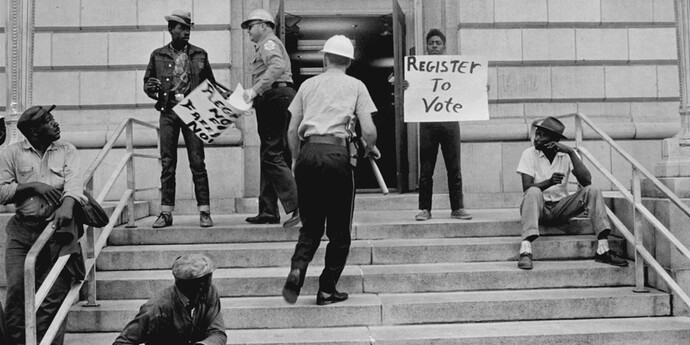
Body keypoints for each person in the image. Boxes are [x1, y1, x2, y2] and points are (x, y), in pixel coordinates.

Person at [282, 35, 380, 305]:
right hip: (338, 156)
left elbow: (292, 129)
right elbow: (369, 130)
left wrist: (295, 159)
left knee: (310, 228)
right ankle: (326, 289)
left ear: (325, 58)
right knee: (339, 231)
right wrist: (369, 147)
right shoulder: (356, 86)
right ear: (349, 60)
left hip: (308, 153)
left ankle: (298, 268)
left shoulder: (307, 85)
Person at [0, 105, 87, 345]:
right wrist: (32, 186)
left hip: (57, 232)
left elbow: (74, 183)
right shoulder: (11, 154)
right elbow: (1, 191)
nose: (55, 123)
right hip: (22, 231)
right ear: (34, 131)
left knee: (53, 295)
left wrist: (67, 204)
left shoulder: (67, 150)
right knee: (17, 291)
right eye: (49, 121)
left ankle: (45, 342)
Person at [516, 116, 629, 270]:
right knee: (533, 190)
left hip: (561, 208)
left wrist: (570, 152)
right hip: (538, 209)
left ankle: (603, 249)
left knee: (593, 190)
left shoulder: (566, 155)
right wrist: (549, 182)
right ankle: (526, 251)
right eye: (537, 134)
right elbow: (527, 187)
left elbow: (586, 181)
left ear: (554, 140)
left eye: (542, 135)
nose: (536, 138)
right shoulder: (529, 153)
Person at [144, 10, 215, 229]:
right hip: (168, 112)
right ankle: (166, 213)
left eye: (188, 28)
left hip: (193, 111)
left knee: (197, 162)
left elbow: (210, 85)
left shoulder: (200, 54)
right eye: (182, 28)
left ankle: (204, 211)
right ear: (170, 29)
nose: (186, 32)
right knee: (168, 163)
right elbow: (148, 83)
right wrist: (150, 89)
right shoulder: (158, 55)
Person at [241, 9, 300, 228]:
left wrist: (255, 90)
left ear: (264, 25)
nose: (248, 31)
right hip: (276, 97)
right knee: (270, 152)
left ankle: (300, 205)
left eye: (251, 25)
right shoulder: (265, 45)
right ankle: (268, 210)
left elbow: (277, 66)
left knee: (272, 153)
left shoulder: (268, 43)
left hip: (275, 96)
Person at [411, 29, 472, 222]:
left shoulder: (454, 68)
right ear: (426, 46)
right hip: (428, 124)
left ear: (444, 46)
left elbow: (467, 87)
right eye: (431, 43)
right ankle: (424, 209)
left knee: (454, 167)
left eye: (438, 43)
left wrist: (480, 87)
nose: (435, 46)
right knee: (426, 169)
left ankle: (457, 207)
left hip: (450, 123)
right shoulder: (418, 69)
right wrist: (407, 85)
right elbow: (411, 93)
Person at [113, 254, 226, 345]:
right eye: (209, 279)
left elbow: (217, 333)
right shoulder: (157, 308)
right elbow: (123, 342)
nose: (211, 284)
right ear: (200, 286)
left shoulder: (209, 293)